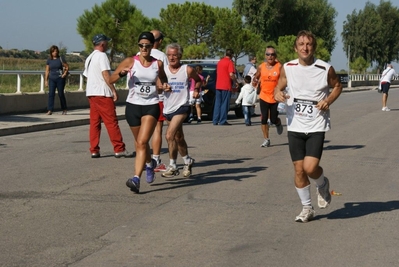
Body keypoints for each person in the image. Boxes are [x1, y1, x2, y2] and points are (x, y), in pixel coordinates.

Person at [274, 30, 343, 223]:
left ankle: (322, 183)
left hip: (316, 125)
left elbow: (337, 86)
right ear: (296, 48)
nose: (305, 48)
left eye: (309, 44)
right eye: (301, 44)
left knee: (310, 167)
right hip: (295, 124)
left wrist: (328, 100)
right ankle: (307, 208)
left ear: (314, 47)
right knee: (298, 170)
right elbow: (278, 86)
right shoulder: (288, 67)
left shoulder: (325, 68)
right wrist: (277, 93)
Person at [110, 32, 168, 194]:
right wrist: (122, 74)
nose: (144, 48)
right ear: (138, 46)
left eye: (147, 46)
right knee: (140, 143)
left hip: (151, 105)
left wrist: (165, 85)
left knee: (142, 142)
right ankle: (149, 164)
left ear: (152, 47)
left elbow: (163, 79)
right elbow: (110, 79)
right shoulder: (130, 61)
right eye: (141, 45)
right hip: (133, 106)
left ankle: (136, 178)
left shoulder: (158, 64)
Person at [83, 34, 133, 159]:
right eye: (107, 43)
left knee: (95, 123)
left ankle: (94, 149)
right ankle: (119, 148)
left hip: (92, 93)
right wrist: (113, 90)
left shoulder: (90, 57)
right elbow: (106, 75)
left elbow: (87, 75)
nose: (108, 45)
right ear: (102, 43)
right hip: (102, 93)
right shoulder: (102, 56)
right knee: (111, 122)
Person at [161, 43, 202, 178]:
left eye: (175, 55)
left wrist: (196, 90)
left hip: (182, 106)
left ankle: (172, 165)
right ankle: (187, 160)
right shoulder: (163, 70)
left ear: (180, 56)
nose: (172, 58)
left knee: (169, 135)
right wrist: (162, 87)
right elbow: (157, 85)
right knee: (178, 137)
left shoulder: (187, 69)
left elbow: (198, 80)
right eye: (169, 55)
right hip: (168, 107)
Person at [145, 30, 168, 172]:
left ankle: (144, 160)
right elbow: (166, 76)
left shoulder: (138, 55)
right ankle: (155, 160)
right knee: (157, 130)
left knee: (142, 132)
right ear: (159, 41)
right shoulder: (161, 56)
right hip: (157, 98)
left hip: (140, 100)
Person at [254, 46, 283, 147]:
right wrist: (255, 80)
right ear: (265, 56)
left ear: (275, 56)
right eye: (268, 54)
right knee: (264, 118)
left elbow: (284, 79)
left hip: (275, 96)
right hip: (264, 96)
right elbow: (256, 76)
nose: (270, 56)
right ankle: (266, 139)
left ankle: (278, 122)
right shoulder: (261, 66)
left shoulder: (279, 66)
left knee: (273, 119)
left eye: (272, 54)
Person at [213, 49, 239, 126]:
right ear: (232, 55)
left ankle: (215, 120)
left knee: (217, 103)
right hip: (226, 85)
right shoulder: (229, 62)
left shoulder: (220, 62)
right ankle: (222, 120)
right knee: (225, 103)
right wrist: (235, 81)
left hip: (218, 85)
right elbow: (231, 74)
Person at [44, 45, 68, 115]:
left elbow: (67, 67)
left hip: (60, 79)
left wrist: (65, 74)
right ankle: (50, 109)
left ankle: (64, 109)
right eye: (53, 51)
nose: (55, 53)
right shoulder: (49, 60)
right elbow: (47, 71)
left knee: (60, 94)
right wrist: (46, 80)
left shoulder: (60, 59)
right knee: (51, 94)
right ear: (51, 52)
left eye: (56, 51)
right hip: (52, 79)